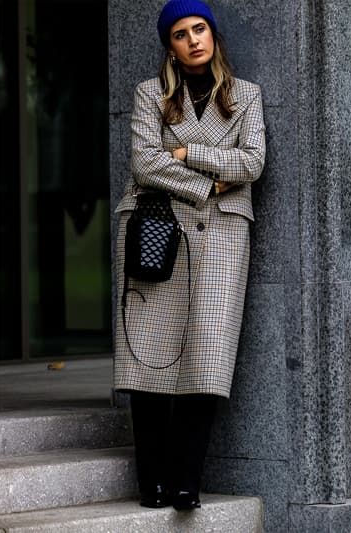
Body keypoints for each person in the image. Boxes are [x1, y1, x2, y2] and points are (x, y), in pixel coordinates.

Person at [113, 0, 265, 511]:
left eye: (200, 28)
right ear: (170, 45)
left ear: (213, 35)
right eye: (181, 33)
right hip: (158, 231)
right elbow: (144, 164)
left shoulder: (246, 96)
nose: (193, 39)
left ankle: (185, 483)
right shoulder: (149, 95)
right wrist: (209, 185)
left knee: (207, 359)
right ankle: (151, 481)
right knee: (148, 360)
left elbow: (253, 162)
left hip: (223, 239)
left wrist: (186, 153)